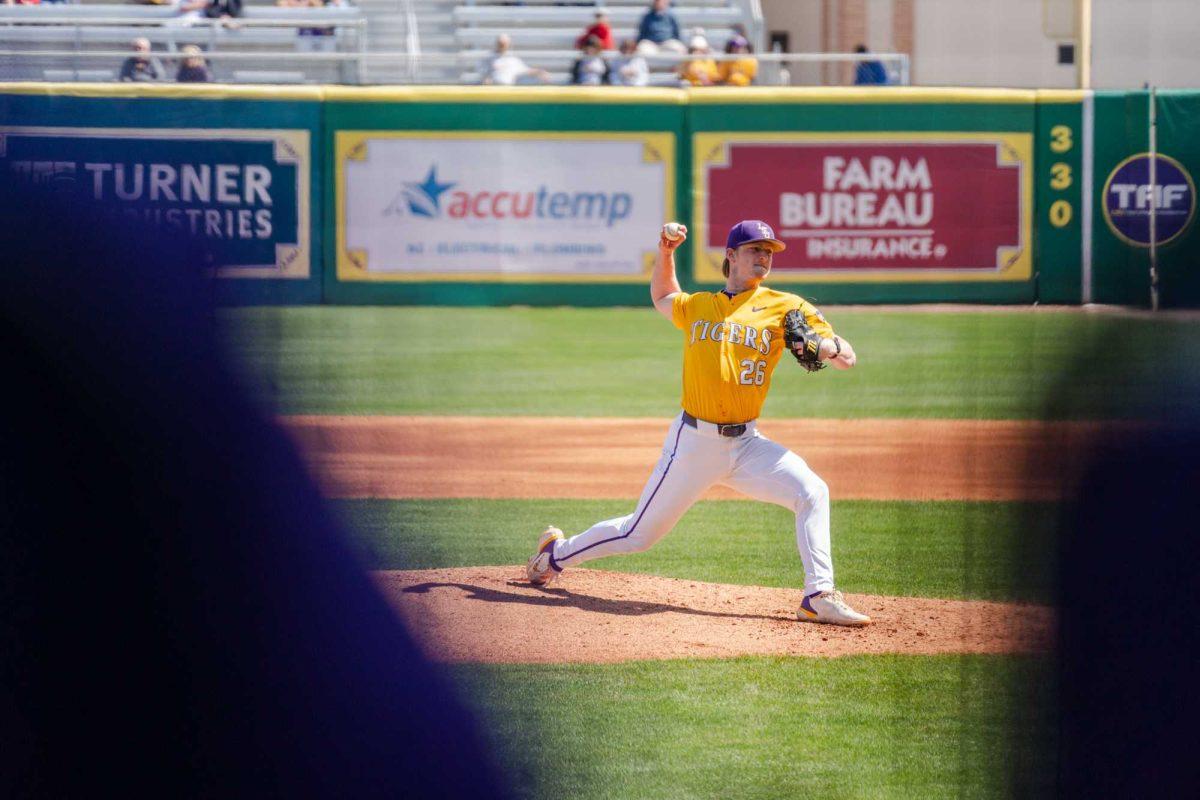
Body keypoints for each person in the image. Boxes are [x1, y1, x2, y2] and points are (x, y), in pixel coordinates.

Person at [526, 220, 872, 627]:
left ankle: (819, 596)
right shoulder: (700, 306)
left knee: (812, 491)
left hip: (747, 444)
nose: (764, 257)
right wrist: (667, 251)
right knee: (638, 534)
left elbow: (847, 358)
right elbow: (663, 295)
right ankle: (556, 554)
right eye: (755, 250)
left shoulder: (787, 307)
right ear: (730, 256)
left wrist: (827, 345)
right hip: (693, 444)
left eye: (769, 252)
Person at [480, 33, 550, 86]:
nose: (502, 46)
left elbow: (526, 70)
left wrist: (540, 72)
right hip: (493, 89)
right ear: (496, 43)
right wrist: (486, 80)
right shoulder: (489, 58)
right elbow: (483, 74)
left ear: (508, 45)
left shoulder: (512, 59)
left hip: (507, 89)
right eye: (500, 43)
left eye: (504, 44)